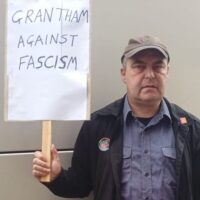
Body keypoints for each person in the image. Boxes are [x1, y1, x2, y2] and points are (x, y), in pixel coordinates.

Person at [32, 35, 200, 200]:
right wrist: (56, 176)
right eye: (139, 67)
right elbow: (79, 186)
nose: (150, 75)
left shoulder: (191, 129)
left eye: (158, 67)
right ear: (124, 74)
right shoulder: (97, 126)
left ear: (167, 72)